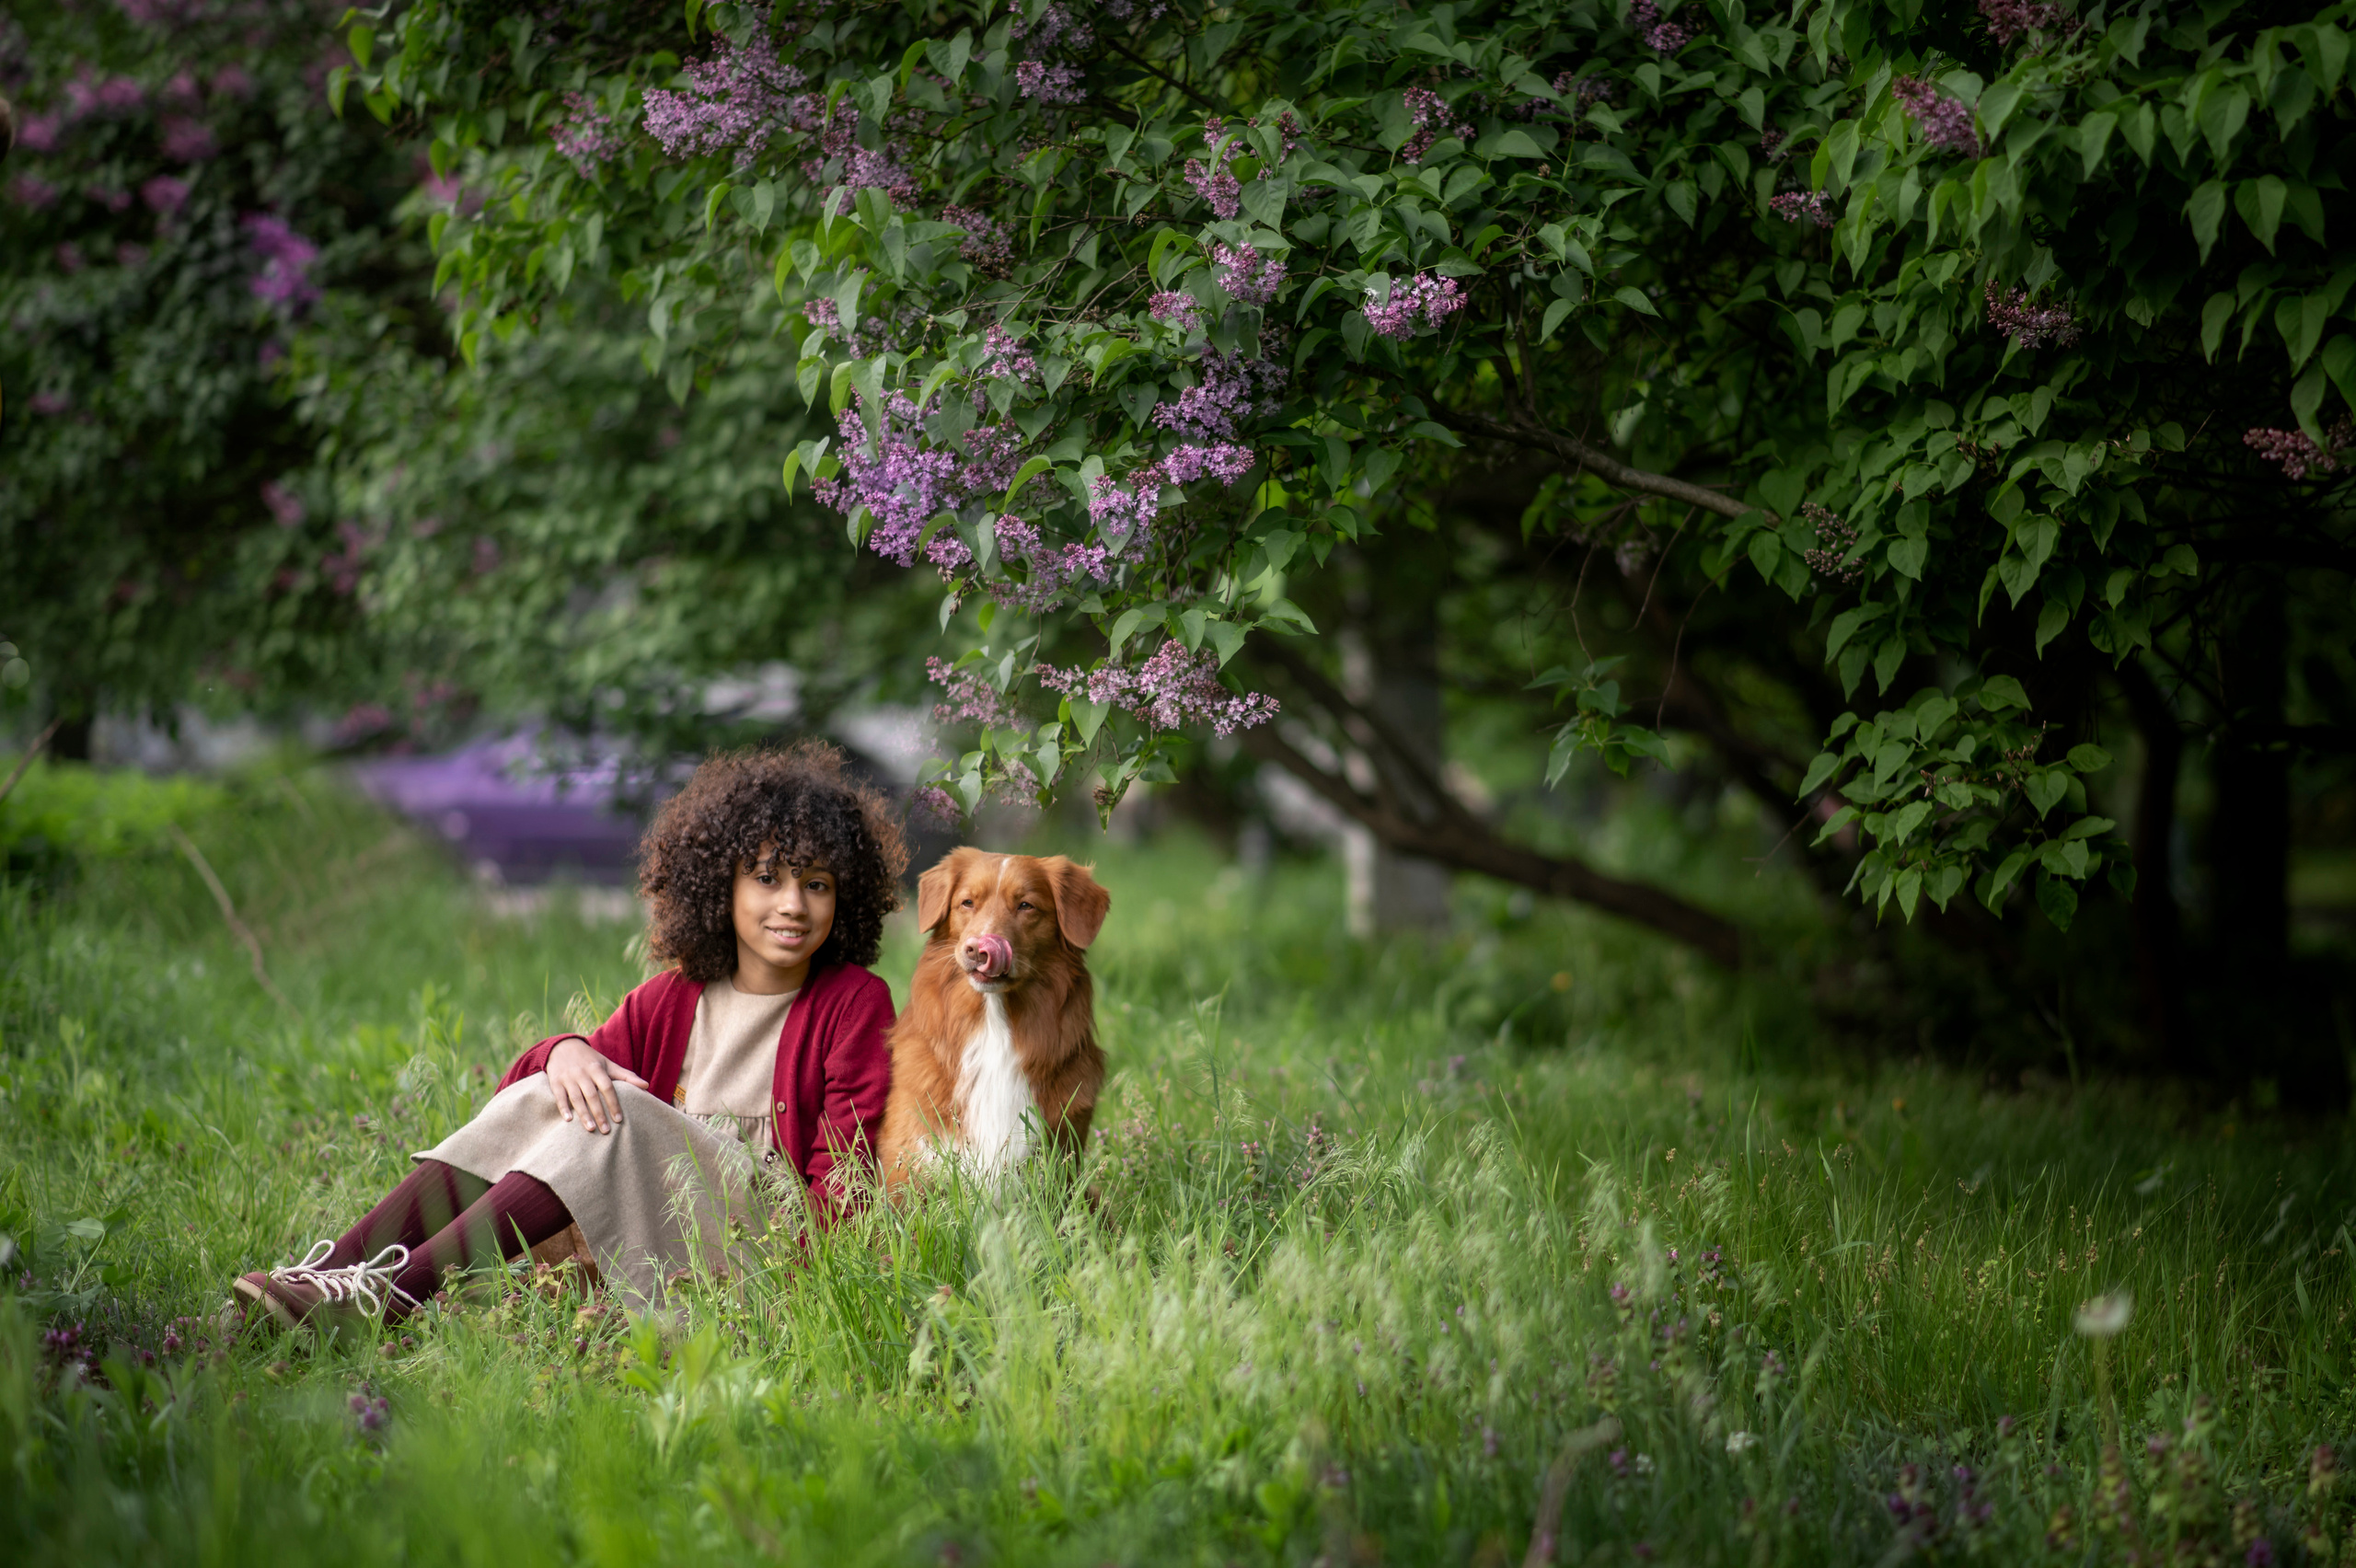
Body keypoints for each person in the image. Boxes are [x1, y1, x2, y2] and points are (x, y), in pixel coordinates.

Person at [227, 742, 906, 1331]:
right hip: (661, 1234)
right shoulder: (672, 998)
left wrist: (795, 1292)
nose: (792, 904)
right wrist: (564, 1051)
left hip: (762, 1255)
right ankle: (335, 1272)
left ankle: (392, 1296)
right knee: (565, 1088)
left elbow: (847, 1183)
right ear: (719, 885)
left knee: (620, 1109)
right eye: (766, 879)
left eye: (817, 884)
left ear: (843, 896)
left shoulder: (855, 1004)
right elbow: (521, 1103)